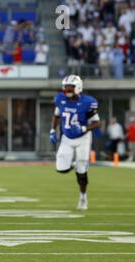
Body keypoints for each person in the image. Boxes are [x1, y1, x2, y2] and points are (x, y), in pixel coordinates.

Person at [49, 75, 100, 211]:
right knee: (61, 169)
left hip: (83, 137)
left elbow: (96, 122)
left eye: (70, 87)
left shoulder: (88, 102)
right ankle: (73, 164)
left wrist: (84, 127)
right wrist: (53, 130)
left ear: (78, 87)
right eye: (66, 87)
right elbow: (56, 115)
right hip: (67, 138)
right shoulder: (60, 99)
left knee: (82, 170)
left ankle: (83, 197)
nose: (67, 90)